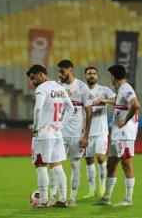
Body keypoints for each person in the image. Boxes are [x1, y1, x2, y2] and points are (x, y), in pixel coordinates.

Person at [26, 64, 74, 208]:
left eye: (33, 78)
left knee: (40, 165)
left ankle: (44, 200)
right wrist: (61, 125)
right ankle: (63, 198)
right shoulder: (60, 88)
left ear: (41, 75)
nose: (32, 83)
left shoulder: (42, 89)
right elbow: (70, 108)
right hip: (57, 133)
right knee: (57, 165)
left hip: (43, 133)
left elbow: (38, 108)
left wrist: (35, 128)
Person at [96, 64, 140, 206]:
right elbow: (120, 101)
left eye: (110, 75)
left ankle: (128, 198)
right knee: (111, 164)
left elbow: (136, 104)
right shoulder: (122, 89)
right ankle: (106, 198)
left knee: (126, 164)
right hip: (117, 134)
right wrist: (106, 101)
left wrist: (126, 120)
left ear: (113, 76)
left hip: (124, 134)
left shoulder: (126, 87)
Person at [51, 59, 93, 207]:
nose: (60, 74)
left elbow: (89, 111)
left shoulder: (82, 87)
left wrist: (86, 135)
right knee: (55, 164)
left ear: (70, 70)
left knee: (75, 165)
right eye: (59, 72)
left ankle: (72, 197)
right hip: (59, 133)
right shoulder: (56, 86)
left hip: (76, 134)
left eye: (62, 71)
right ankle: (53, 196)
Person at [83, 66, 116, 198]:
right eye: (89, 73)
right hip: (86, 131)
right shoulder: (82, 91)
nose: (92, 75)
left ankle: (102, 186)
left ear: (97, 76)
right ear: (85, 76)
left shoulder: (104, 90)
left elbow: (117, 99)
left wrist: (105, 100)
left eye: (94, 73)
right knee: (88, 160)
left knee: (100, 157)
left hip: (101, 131)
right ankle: (92, 190)